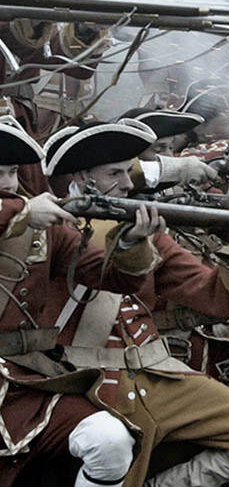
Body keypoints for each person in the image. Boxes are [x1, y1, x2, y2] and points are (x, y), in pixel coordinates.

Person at [42, 120, 229, 487]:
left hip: (160, 373)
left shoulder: (146, 233)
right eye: (115, 173)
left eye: (128, 172)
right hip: (92, 383)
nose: (128, 184)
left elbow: (215, 297)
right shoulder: (53, 233)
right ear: (83, 178)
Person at [0, 115, 137, 487]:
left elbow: (116, 278)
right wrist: (24, 213)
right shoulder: (24, 215)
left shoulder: (43, 230)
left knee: (110, 442)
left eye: (12, 171)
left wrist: (131, 243)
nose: (8, 184)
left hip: (21, 380)